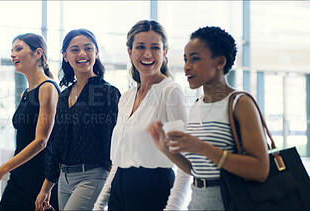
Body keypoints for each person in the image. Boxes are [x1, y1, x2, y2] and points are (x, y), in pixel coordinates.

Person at [148, 26, 270, 210]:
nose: (187, 66)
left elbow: (260, 170)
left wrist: (202, 147)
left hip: (230, 203)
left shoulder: (240, 103)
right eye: (186, 59)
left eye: (195, 59)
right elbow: (197, 170)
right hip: (197, 203)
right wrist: (165, 149)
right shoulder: (197, 105)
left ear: (220, 61)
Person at [94, 20, 191, 211]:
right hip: (119, 192)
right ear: (130, 52)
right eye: (140, 47)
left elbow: (187, 163)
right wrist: (99, 205)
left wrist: (173, 208)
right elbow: (119, 160)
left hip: (154, 191)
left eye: (155, 47)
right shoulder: (127, 97)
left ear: (164, 52)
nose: (148, 54)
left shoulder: (170, 92)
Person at [34, 29, 121, 211]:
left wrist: (113, 187)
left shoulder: (108, 92)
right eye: (74, 49)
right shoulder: (64, 95)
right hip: (64, 180)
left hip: (93, 177)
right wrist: (46, 188)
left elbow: (114, 144)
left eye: (88, 48)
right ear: (65, 56)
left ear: (96, 53)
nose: (82, 53)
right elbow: (58, 145)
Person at [0, 33, 60, 211]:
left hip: (39, 177)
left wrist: (2, 169)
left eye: (18, 49)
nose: (13, 54)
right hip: (20, 175)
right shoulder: (26, 93)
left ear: (37, 53)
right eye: (12, 50)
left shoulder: (47, 88)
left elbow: (41, 141)